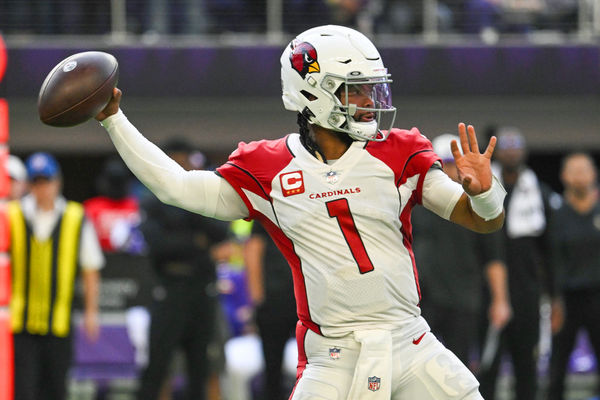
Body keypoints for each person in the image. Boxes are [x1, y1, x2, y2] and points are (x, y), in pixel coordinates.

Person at [95, 25, 506, 399]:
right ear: (313, 92)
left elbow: (481, 220)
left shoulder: (399, 151)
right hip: (333, 355)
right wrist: (115, 120)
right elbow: (176, 186)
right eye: (355, 90)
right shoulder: (268, 167)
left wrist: (485, 194)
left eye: (371, 89)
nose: (369, 102)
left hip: (410, 342)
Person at [136, 138, 231, 400]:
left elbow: (222, 231)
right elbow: (157, 245)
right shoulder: (153, 198)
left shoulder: (204, 192)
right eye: (174, 161)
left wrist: (184, 227)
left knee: (201, 366)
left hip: (201, 289)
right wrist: (199, 243)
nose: (179, 167)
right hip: (169, 288)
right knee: (157, 365)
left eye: (184, 161)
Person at [8, 151, 104, 400]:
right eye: (37, 182)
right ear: (29, 184)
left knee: (56, 388)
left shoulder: (75, 216)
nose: (43, 188)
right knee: (23, 388)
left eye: (46, 181)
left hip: (59, 319)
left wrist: (91, 312)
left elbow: (90, 267)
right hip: (21, 320)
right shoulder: (13, 215)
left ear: (57, 182)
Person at [412, 134, 511, 371]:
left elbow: (493, 257)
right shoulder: (417, 200)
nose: (447, 169)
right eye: (441, 163)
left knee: (460, 369)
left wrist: (500, 300)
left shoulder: (478, 206)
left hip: (462, 298)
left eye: (453, 163)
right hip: (421, 301)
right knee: (418, 371)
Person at [477, 126, 559, 400]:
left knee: (527, 365)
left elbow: (550, 250)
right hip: (488, 293)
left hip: (528, 291)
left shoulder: (540, 193)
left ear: (524, 152)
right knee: (488, 365)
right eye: (506, 147)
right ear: (498, 153)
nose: (511, 151)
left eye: (516, 146)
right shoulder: (483, 190)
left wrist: (553, 295)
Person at [546, 152, 600, 400]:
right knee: (557, 366)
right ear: (564, 176)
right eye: (574, 170)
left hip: (597, 295)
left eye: (584, 169)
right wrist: (554, 300)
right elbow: (551, 260)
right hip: (566, 298)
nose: (580, 176)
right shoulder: (556, 212)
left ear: (594, 174)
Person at [244, 220, 297, 400]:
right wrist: (258, 299)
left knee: (318, 365)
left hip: (305, 299)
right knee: (272, 368)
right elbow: (253, 251)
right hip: (276, 300)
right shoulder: (267, 207)